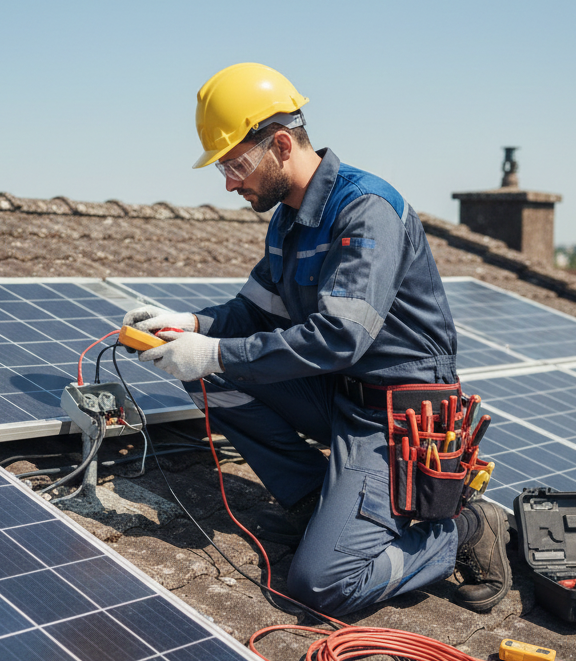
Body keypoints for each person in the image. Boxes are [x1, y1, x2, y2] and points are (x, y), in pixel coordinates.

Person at [124, 63, 510, 617]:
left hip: (397, 419)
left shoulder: (366, 210)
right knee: (206, 375)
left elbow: (338, 337)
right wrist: (191, 325)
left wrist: (213, 352)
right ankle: (315, 504)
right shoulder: (287, 221)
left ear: (282, 144)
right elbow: (253, 312)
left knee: (323, 585)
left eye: (236, 164)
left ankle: (465, 528)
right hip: (338, 395)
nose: (229, 183)